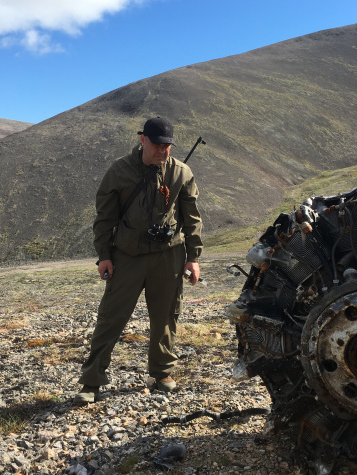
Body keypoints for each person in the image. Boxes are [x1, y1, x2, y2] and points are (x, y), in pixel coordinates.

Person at [74, 117, 203, 404]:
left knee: (166, 317)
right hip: (128, 255)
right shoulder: (119, 171)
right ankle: (91, 382)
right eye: (157, 144)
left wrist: (193, 258)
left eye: (167, 146)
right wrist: (104, 256)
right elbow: (104, 218)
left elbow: (192, 218)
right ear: (142, 139)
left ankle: (162, 373)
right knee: (111, 317)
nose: (162, 151)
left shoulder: (181, 173)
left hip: (168, 254)